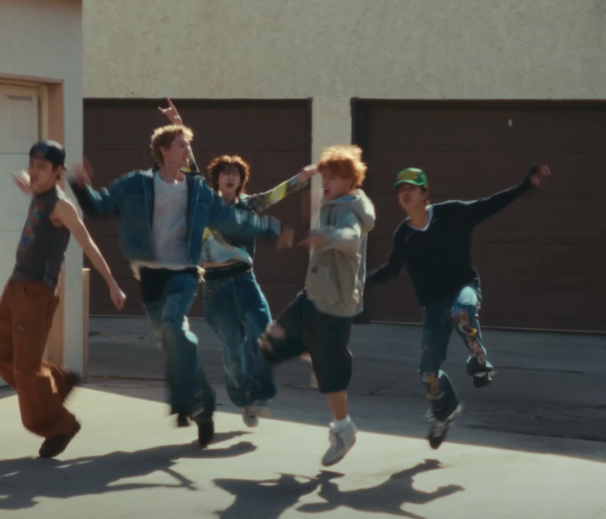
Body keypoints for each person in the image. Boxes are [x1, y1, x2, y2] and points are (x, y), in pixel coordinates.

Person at [69, 116, 294, 447]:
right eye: (182, 145)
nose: (188, 150)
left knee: (173, 326)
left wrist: (270, 230)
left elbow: (232, 218)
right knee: (169, 344)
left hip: (184, 273)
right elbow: (99, 206)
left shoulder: (197, 189)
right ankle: (203, 402)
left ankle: (184, 401)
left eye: (188, 145)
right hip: (150, 274)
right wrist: (79, 185)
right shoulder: (135, 184)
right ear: (164, 150)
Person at [365, 163, 551, 449]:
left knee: (461, 310)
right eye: (401, 190)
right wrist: (359, 283)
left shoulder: (451, 213)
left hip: (463, 289)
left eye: (411, 189)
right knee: (428, 373)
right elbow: (392, 269)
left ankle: (479, 362)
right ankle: (444, 411)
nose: (405, 194)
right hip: (432, 306)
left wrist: (525, 185)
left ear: (425, 193)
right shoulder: (404, 234)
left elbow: (489, 205)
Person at [157, 100, 318, 428]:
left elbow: (276, 194)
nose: (230, 177)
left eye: (236, 173)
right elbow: (191, 169)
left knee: (262, 334)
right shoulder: (204, 201)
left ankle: (258, 397)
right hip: (215, 287)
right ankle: (243, 398)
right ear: (216, 178)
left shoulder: (249, 205)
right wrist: (178, 122)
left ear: (241, 180)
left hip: (245, 281)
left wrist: (302, 178)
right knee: (233, 349)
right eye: (225, 172)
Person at [0, 140, 126, 459]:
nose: (34, 172)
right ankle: (58, 382)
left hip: (37, 293)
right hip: (15, 284)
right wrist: (28, 180)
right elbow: (33, 180)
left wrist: (112, 284)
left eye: (42, 168)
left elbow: (88, 244)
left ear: (58, 171)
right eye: (32, 165)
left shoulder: (62, 206)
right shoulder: (39, 189)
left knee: (25, 370)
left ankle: (61, 425)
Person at [258, 145, 376, 466]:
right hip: (314, 295)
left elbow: (350, 238)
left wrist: (328, 236)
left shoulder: (348, 210)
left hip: (334, 305)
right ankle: (308, 355)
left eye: (332, 178)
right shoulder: (340, 198)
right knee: (272, 339)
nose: (325, 183)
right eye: (325, 177)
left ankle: (344, 429)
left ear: (349, 181)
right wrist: (314, 171)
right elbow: (326, 175)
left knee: (330, 376)